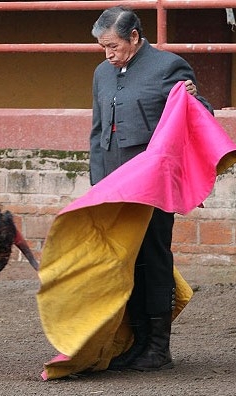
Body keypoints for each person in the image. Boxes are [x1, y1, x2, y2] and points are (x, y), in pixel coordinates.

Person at [89, 6, 213, 372]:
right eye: (102, 48)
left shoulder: (169, 67)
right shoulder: (101, 73)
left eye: (113, 46)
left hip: (155, 182)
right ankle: (134, 342)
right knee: (123, 262)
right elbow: (98, 132)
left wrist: (193, 97)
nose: (108, 55)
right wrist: (98, 183)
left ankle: (158, 349)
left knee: (154, 258)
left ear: (134, 37)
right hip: (114, 182)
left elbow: (196, 116)